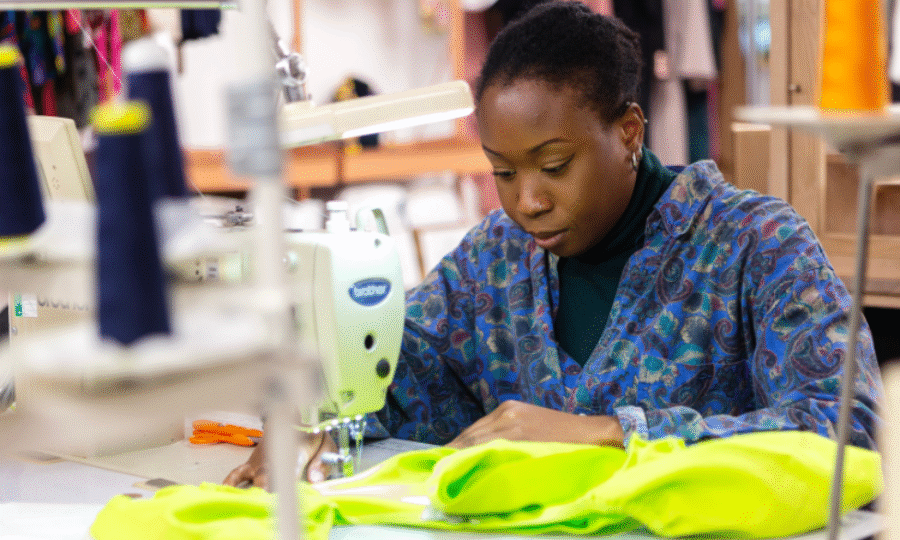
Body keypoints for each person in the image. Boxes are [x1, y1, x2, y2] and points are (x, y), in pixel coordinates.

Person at [225, 1, 881, 488]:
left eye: (554, 164)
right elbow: (398, 383)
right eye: (503, 172)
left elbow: (848, 428)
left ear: (628, 132)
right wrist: (311, 422)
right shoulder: (494, 261)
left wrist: (614, 433)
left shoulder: (754, 246)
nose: (526, 201)